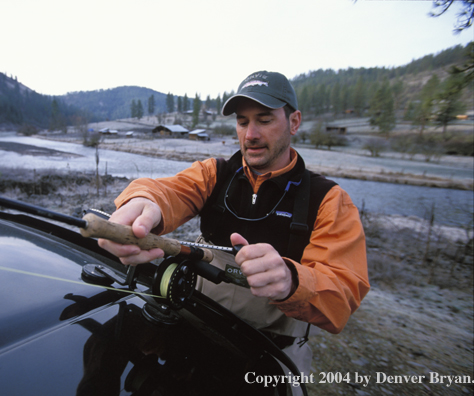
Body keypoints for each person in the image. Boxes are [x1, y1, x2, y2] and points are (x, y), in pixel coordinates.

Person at [98, 71, 370, 382]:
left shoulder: (330, 200)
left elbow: (342, 296)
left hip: (270, 354)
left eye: (264, 120)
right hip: (193, 329)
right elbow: (167, 191)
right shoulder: (214, 173)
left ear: (294, 122)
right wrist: (145, 202)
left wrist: (291, 280)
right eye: (243, 121)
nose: (250, 133)